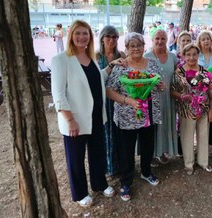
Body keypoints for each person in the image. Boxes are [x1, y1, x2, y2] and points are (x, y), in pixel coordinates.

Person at [51, 20, 121, 207]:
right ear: (71, 36)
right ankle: (80, 192)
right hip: (75, 119)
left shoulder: (91, 59)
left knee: (97, 154)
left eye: (86, 34)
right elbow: (58, 94)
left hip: (96, 117)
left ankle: (99, 184)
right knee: (76, 158)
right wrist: (70, 120)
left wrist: (111, 66)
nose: (82, 37)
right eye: (78, 33)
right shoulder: (61, 60)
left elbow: (98, 80)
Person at [106, 32, 163, 201]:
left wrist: (161, 85)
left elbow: (160, 84)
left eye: (139, 45)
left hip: (148, 113)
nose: (136, 48)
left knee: (147, 146)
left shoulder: (152, 63)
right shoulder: (121, 67)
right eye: (132, 46)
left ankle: (146, 172)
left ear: (144, 47)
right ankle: (126, 182)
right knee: (126, 151)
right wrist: (127, 100)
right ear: (127, 49)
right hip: (126, 116)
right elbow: (109, 91)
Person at [171, 43, 212, 175]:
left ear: (198, 55)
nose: (191, 57)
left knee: (203, 135)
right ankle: (189, 164)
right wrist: (182, 96)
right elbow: (172, 91)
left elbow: (211, 91)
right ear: (183, 56)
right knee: (187, 136)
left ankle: (203, 162)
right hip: (187, 110)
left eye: (194, 54)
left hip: (203, 109)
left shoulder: (205, 71)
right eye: (188, 54)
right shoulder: (179, 72)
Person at [144, 29, 178, 165]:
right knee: (154, 126)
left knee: (165, 125)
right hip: (152, 99)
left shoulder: (172, 57)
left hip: (169, 97)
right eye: (157, 38)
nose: (160, 41)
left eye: (163, 38)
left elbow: (177, 77)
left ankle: (162, 151)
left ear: (167, 40)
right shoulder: (147, 56)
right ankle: (151, 154)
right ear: (152, 40)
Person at [96, 25, 126, 177]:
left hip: (118, 99)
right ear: (102, 38)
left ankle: (120, 165)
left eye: (115, 37)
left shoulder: (121, 54)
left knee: (118, 132)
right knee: (105, 132)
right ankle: (108, 167)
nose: (112, 40)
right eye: (108, 37)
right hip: (102, 100)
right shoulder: (95, 56)